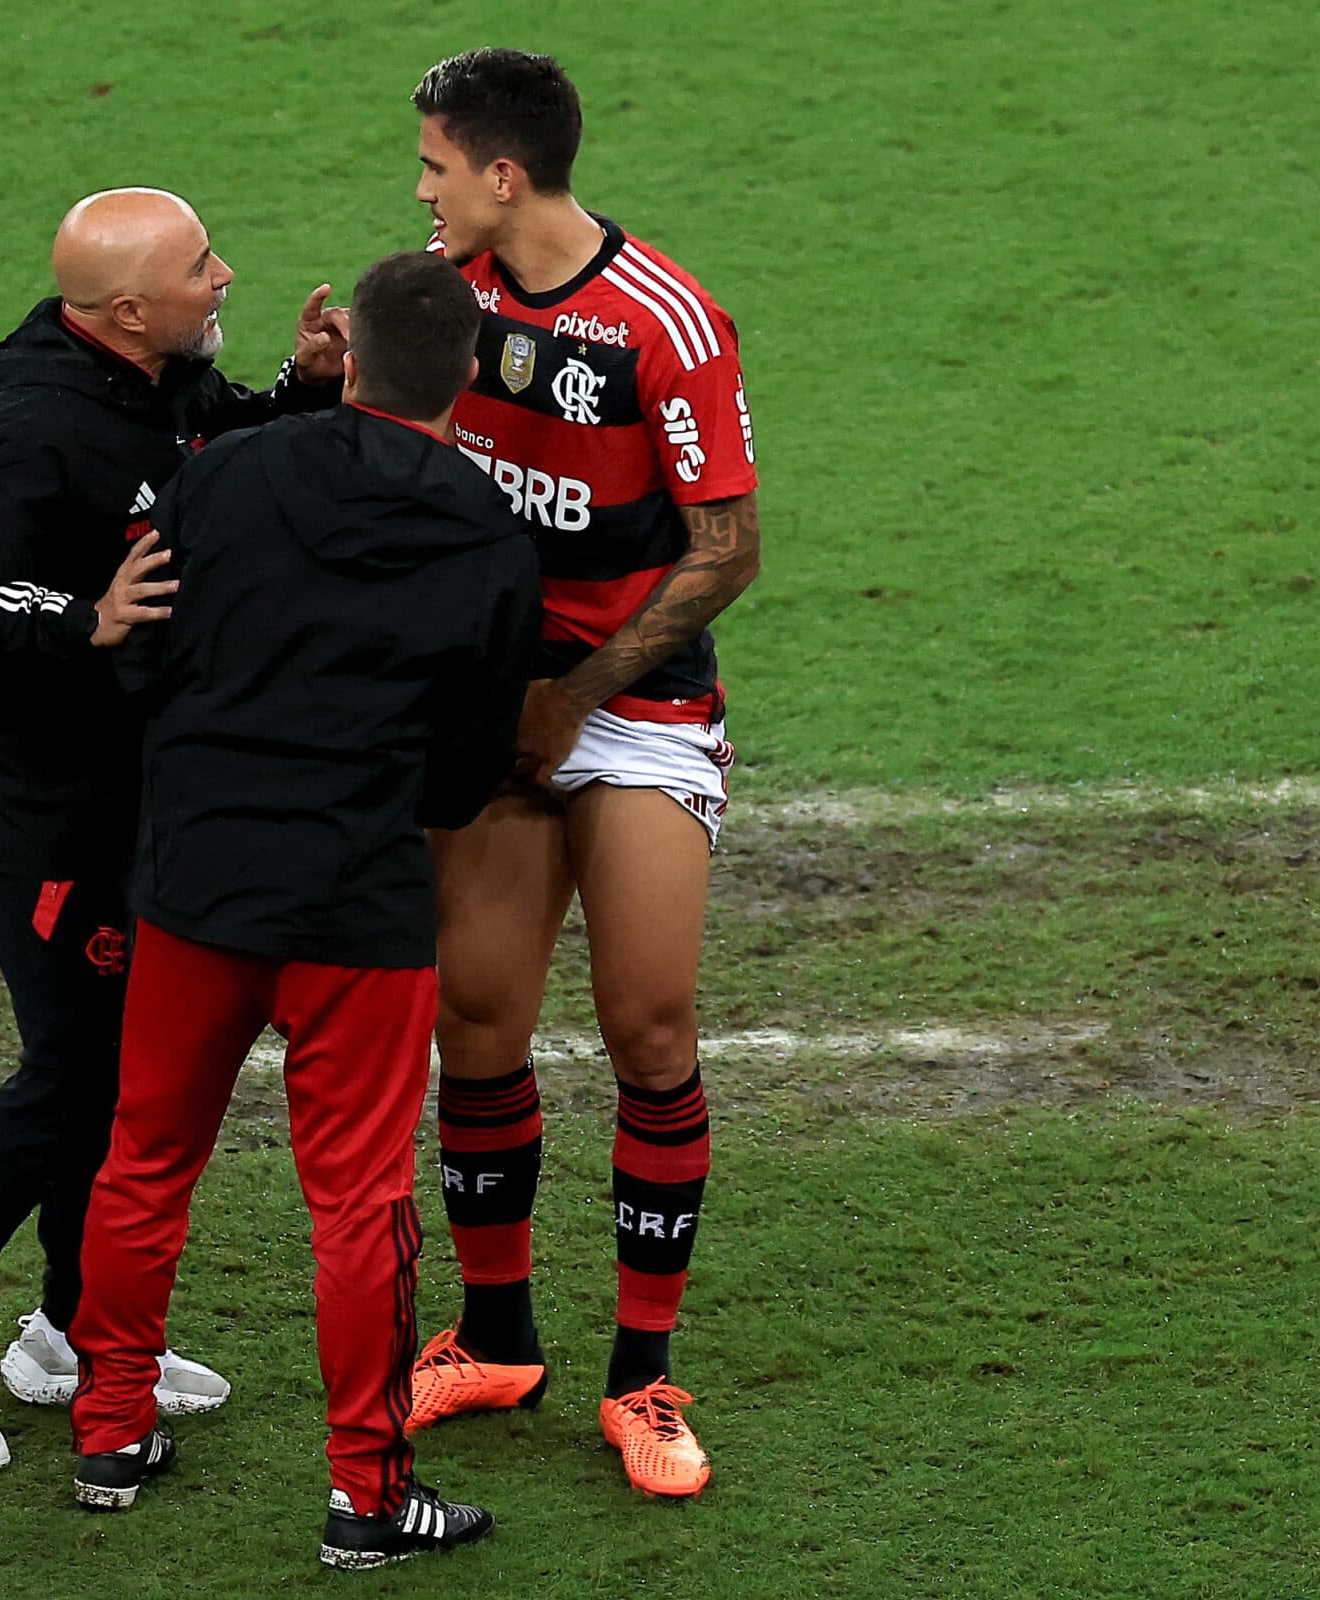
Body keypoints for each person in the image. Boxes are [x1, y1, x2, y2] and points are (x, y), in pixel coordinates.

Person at [0, 187, 353, 1474]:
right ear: (126, 309)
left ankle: (69, 1325)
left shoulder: (150, 378)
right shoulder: (34, 429)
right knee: (75, 1065)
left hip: (125, 779)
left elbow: (216, 443)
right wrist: (84, 616)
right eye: (199, 265)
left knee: (120, 1064)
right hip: (37, 794)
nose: (224, 274)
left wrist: (305, 386)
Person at [64, 251, 541, 1571]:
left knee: (146, 1155)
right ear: (466, 379)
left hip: (199, 881)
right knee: (361, 1200)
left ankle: (108, 1433)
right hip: (358, 899)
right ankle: (367, 1499)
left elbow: (142, 649)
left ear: (356, 352)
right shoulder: (490, 535)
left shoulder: (225, 471)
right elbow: (467, 767)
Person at [401, 49, 763, 1500]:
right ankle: (496, 1336)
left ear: (503, 173)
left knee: (650, 1026)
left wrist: (576, 698)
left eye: (434, 164)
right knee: (476, 1016)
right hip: (495, 698)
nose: (419, 189)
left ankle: (642, 1377)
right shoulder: (441, 299)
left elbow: (726, 547)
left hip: (630, 703)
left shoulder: (661, 322)